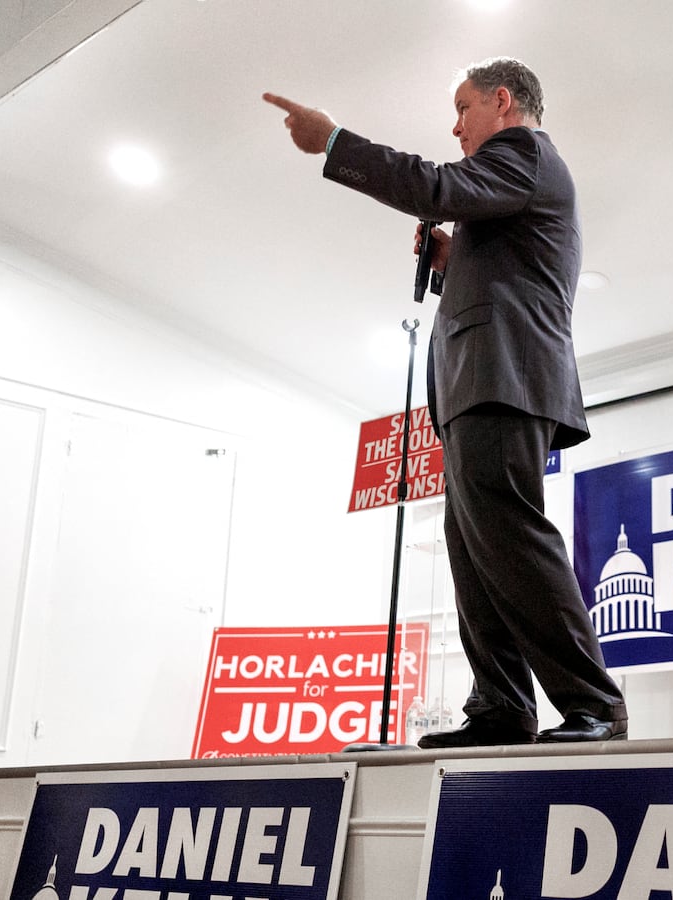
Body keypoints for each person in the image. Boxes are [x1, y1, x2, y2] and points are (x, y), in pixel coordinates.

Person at [264, 57, 628, 746]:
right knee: (474, 549)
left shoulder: (524, 151)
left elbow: (435, 185)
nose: (456, 126)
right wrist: (450, 262)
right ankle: (501, 707)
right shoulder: (518, 178)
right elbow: (515, 270)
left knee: (510, 537)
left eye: (464, 108)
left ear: (503, 101)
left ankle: (594, 703)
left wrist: (334, 141)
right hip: (481, 382)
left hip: (504, 378)